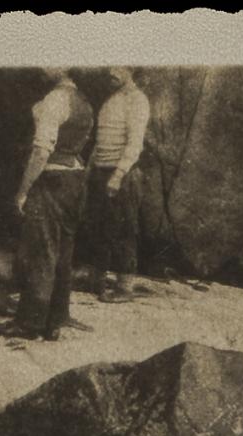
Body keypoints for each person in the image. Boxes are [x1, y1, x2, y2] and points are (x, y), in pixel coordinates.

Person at [0, 67, 94, 341]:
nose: (42, 67)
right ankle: (56, 319)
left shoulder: (55, 99)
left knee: (41, 252)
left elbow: (41, 151)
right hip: (74, 181)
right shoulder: (83, 101)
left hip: (52, 181)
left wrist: (23, 191)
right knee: (63, 253)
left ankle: (30, 323)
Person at [83, 66, 151, 303]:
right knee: (99, 227)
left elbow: (135, 144)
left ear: (131, 68)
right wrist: (90, 169)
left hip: (123, 173)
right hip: (101, 170)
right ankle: (97, 280)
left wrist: (118, 175)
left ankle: (124, 288)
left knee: (124, 230)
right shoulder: (112, 99)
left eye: (118, 66)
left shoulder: (137, 100)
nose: (111, 71)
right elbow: (100, 141)